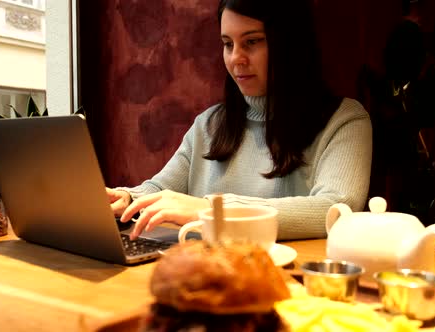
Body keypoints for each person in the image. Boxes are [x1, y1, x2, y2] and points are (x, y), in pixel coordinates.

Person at [107, 0, 372, 241]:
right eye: (227, 44)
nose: (236, 59)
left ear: (289, 44)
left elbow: (335, 207)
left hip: (284, 283)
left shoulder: (345, 120)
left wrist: (212, 211)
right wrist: (129, 199)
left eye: (252, 42)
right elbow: (160, 189)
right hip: (205, 278)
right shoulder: (209, 124)